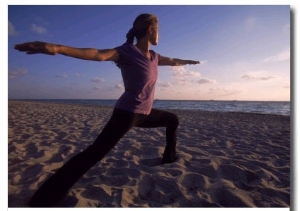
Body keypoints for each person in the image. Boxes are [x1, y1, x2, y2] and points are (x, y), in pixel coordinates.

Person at [14, 13, 200, 207]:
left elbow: (172, 60)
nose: (160, 35)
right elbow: (97, 54)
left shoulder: (154, 57)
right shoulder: (126, 52)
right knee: (94, 153)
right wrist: (58, 48)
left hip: (145, 114)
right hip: (127, 114)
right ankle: (45, 197)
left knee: (173, 120)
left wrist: (188, 62)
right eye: (159, 30)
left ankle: (169, 158)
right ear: (150, 30)